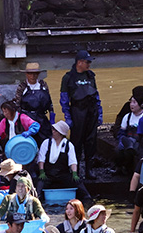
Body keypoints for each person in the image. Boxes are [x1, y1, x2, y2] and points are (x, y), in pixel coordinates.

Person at [59, 50, 102, 178]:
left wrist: (99, 114)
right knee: (76, 142)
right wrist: (67, 116)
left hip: (91, 111)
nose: (89, 64)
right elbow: (64, 99)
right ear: (79, 62)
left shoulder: (90, 76)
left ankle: (89, 170)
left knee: (91, 142)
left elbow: (96, 95)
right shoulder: (68, 77)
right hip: (77, 112)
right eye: (87, 62)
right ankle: (75, 170)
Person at [35, 121, 92, 206]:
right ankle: (37, 202)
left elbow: (73, 162)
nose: (53, 132)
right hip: (48, 174)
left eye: (56, 131)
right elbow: (41, 159)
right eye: (53, 130)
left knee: (78, 182)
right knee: (39, 185)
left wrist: (74, 173)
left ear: (61, 133)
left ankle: (88, 201)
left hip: (63, 174)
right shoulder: (47, 143)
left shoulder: (69, 145)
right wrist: (42, 171)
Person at [113, 86, 143, 175]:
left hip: (139, 141)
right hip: (128, 138)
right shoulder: (127, 116)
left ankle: (129, 170)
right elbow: (121, 130)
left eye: (134, 102)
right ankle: (119, 168)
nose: (131, 105)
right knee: (118, 150)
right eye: (131, 102)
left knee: (131, 151)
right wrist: (121, 139)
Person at [14, 62, 53, 143]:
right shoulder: (22, 86)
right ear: (26, 74)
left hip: (42, 118)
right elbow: (17, 104)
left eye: (35, 74)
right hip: (27, 118)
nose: (32, 76)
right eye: (30, 74)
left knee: (44, 141)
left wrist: (52, 118)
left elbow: (49, 102)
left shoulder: (43, 85)